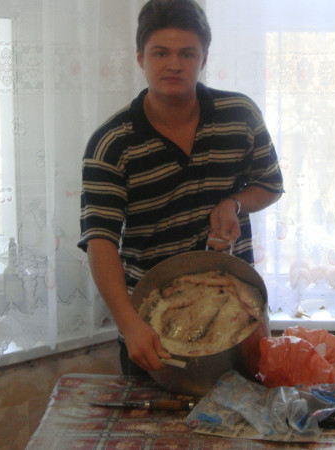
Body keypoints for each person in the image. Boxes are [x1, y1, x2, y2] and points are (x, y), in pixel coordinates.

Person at [78, 0, 283, 375]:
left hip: (236, 314)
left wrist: (233, 204)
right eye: (161, 53)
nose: (174, 64)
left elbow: (270, 185)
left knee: (243, 412)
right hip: (152, 323)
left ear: (204, 58)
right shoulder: (111, 143)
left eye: (187, 53)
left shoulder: (241, 116)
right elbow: (100, 241)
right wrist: (129, 326)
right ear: (140, 58)